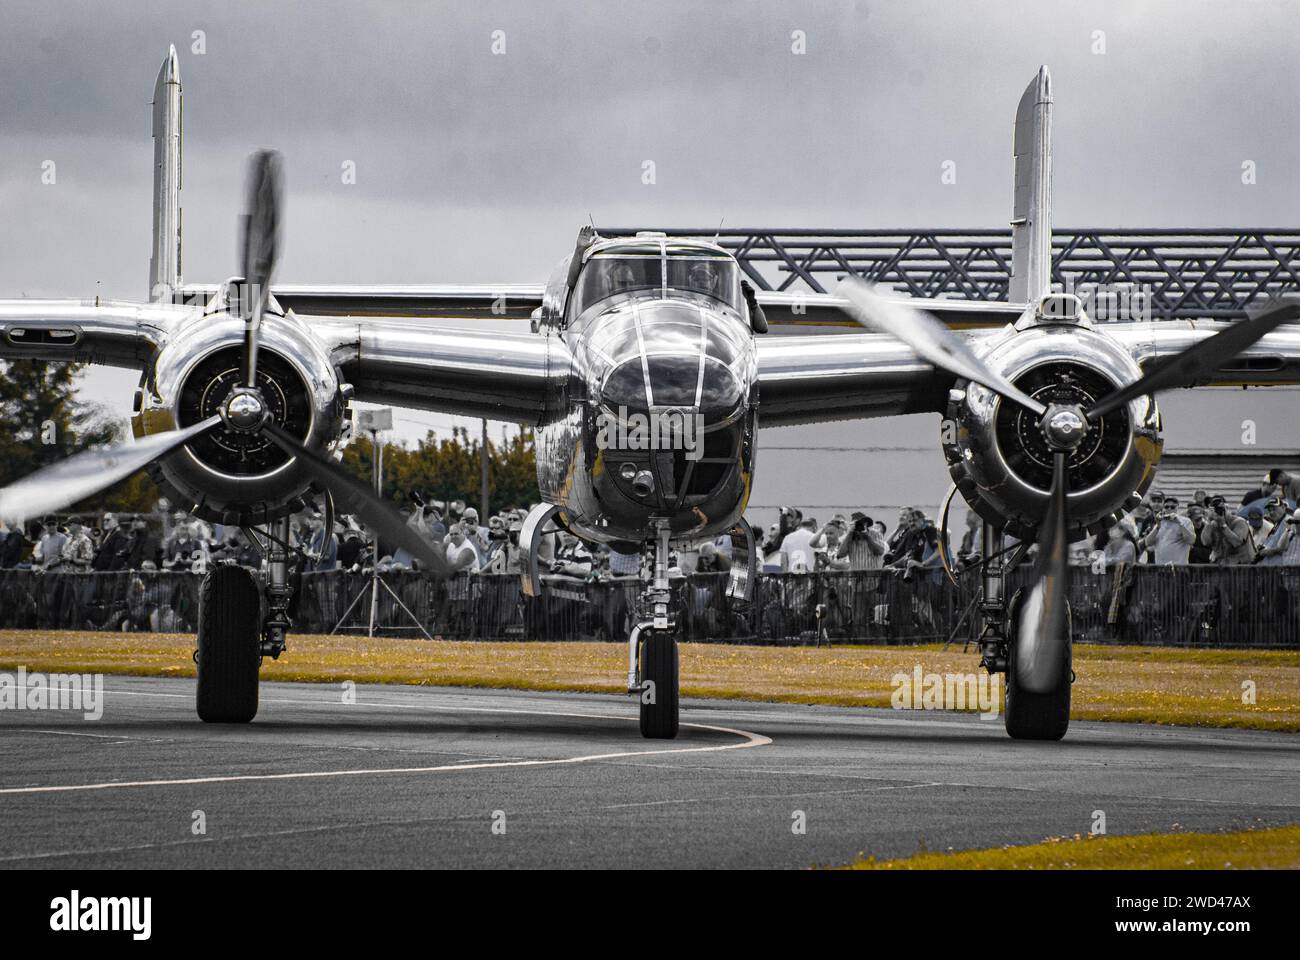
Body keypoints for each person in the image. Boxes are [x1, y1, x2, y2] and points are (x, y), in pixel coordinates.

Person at [1138, 495, 1195, 564]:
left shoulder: (1185, 521)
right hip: (1161, 567)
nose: (1169, 509)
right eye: (1166, 507)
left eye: (1172, 507)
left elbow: (1191, 540)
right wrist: (1158, 526)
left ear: (1177, 508)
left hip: (1179, 567)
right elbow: (1147, 542)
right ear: (1163, 508)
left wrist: (1179, 523)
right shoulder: (1160, 522)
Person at [1200, 495, 1254, 564]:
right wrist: (1208, 522)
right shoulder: (1213, 524)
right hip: (1221, 567)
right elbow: (1205, 542)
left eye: (1220, 508)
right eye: (1215, 509)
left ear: (1227, 507)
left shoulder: (1239, 522)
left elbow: (1237, 542)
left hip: (1241, 568)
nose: (1218, 511)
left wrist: (1223, 525)